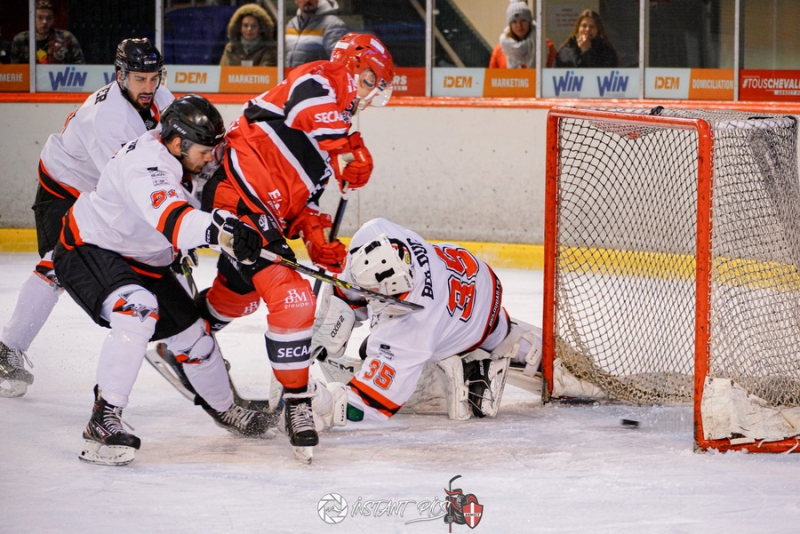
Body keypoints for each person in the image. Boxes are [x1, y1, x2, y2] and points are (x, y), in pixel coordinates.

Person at [195, 32, 394, 452]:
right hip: (235, 194)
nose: (371, 93)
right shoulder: (321, 78)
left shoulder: (329, 140)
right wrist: (349, 146)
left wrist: (317, 239)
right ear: (357, 64)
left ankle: (187, 334)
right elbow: (306, 109)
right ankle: (297, 403)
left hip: (261, 216)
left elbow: (305, 206)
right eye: (372, 81)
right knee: (294, 299)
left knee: (240, 297)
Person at [52, 94, 276, 466]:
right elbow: (175, 221)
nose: (210, 158)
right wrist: (225, 232)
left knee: (195, 338)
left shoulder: (185, 151)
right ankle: (103, 419)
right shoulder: (147, 164)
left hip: (145, 259)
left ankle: (225, 408)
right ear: (177, 143)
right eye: (205, 151)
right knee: (137, 309)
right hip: (90, 247)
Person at [0, 38, 174, 399]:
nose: (148, 86)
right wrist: (174, 227)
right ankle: (7, 348)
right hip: (63, 191)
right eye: (140, 79)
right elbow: (128, 185)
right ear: (120, 75)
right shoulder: (107, 118)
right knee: (59, 264)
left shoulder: (160, 98)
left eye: (154, 78)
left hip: (95, 190)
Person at [308, 217, 543, 429]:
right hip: (476, 277)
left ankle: (472, 368)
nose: (366, 296)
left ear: (393, 294)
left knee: (376, 355)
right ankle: (512, 340)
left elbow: (370, 403)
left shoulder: (413, 330)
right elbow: (351, 276)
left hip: (474, 326)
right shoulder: (376, 234)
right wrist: (335, 318)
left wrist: (325, 406)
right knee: (494, 330)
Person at [9, 1, 85, 65]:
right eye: (40, 18)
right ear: (32, 18)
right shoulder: (21, 40)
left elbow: (81, 67)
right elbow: (15, 71)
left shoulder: (66, 38)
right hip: (29, 81)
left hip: (59, 80)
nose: (44, 22)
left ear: (54, 19)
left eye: (49, 18)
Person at [489, 0, 556, 69]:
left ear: (530, 22)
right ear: (510, 25)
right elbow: (492, 77)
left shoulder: (545, 45)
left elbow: (552, 74)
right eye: (514, 22)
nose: (519, 25)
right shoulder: (500, 49)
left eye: (523, 20)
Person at [285, 0, 347, 67]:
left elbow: (339, 61)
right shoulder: (291, 24)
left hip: (316, 76)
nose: (308, 0)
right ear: (296, 1)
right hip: (291, 75)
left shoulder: (332, 24)